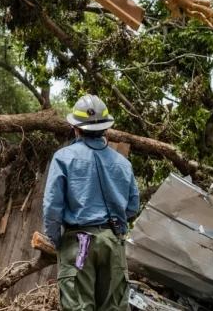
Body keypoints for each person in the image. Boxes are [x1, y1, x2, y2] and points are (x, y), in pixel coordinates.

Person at [43, 94, 140, 311]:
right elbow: (133, 206)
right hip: (113, 242)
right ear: (105, 128)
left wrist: (56, 240)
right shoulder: (123, 164)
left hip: (78, 243)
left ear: (75, 129)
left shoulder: (63, 158)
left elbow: (52, 208)